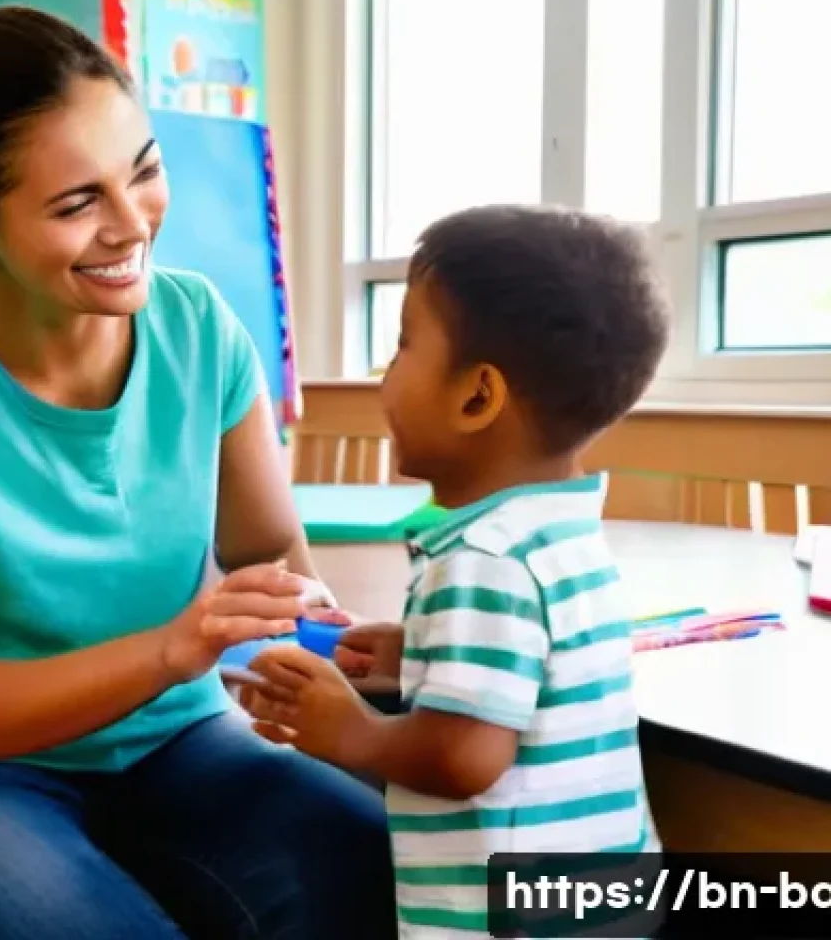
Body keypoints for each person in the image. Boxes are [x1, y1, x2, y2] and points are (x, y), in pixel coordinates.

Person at [0, 0, 397, 940]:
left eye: (144, 170)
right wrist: (175, 648)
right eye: (78, 202)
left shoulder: (198, 324)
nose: (132, 224)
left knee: (394, 883)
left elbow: (268, 558)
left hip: (177, 745)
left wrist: (360, 647)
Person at [239, 205, 672, 937]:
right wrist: (420, 651)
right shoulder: (562, 532)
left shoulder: (481, 560)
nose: (384, 372)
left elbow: (464, 755)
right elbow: (539, 671)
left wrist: (350, 732)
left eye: (404, 344)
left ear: (477, 396)